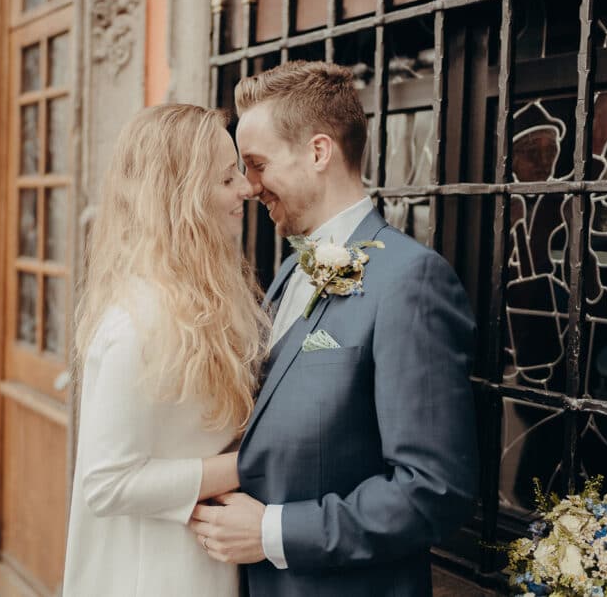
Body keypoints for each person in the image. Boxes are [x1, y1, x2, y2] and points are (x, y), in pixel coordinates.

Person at [187, 61, 479, 596]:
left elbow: (433, 491)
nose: (249, 187)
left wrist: (272, 532)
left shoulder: (411, 282)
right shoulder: (287, 271)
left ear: (319, 152)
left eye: (256, 164)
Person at [61, 104, 269, 596]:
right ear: (181, 199)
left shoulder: (204, 301)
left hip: (203, 562)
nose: (246, 188)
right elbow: (107, 483)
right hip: (149, 574)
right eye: (225, 179)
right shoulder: (137, 323)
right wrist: (251, 466)